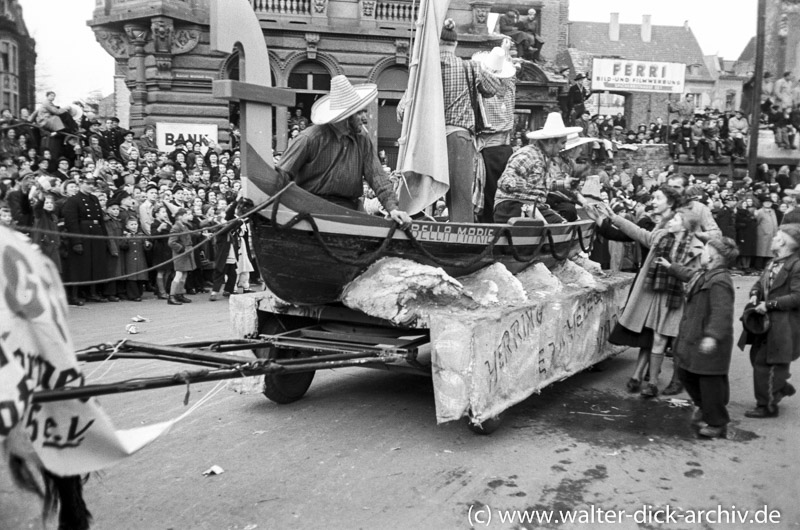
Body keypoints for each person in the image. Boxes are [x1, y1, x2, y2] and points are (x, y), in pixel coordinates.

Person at [593, 188, 703, 397]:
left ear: (684, 225)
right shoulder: (661, 237)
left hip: (676, 300)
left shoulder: (695, 248)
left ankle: (663, 380)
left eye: (675, 220)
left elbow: (695, 276)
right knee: (654, 338)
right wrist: (614, 217)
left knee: (665, 340)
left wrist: (674, 270)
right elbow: (638, 233)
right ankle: (650, 381)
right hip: (655, 295)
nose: (670, 222)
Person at [276, 75, 412, 226]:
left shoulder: (362, 140)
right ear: (345, 116)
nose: (365, 118)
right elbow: (281, 175)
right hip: (311, 212)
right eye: (360, 113)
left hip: (350, 209)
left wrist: (392, 208)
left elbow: (377, 176)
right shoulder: (309, 138)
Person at [656, 237, 738, 438]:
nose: (702, 253)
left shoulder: (720, 281)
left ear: (714, 257)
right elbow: (689, 274)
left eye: (705, 250)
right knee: (686, 375)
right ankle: (704, 407)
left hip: (709, 343)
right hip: (695, 340)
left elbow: (722, 313)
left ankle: (718, 423)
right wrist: (670, 266)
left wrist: (712, 337)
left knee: (710, 384)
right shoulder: (706, 275)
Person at [433, 19, 503, 223]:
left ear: (437, 42)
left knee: (423, 191)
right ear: (455, 44)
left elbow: (403, 110)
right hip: (458, 136)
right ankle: (460, 237)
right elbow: (492, 89)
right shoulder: (470, 67)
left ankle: (418, 229)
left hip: (429, 137)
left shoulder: (425, 68)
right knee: (460, 194)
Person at [738, 223, 800, 418]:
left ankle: (767, 405)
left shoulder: (796, 266)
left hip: (782, 323)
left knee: (768, 363)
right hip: (765, 322)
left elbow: (797, 296)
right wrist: (755, 294)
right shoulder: (774, 262)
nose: (773, 238)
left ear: (783, 242)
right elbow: (759, 283)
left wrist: (770, 304)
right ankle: (779, 388)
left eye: (776, 236)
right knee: (758, 357)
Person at [493, 112, 582, 223]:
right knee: (559, 225)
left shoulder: (543, 157)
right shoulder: (527, 155)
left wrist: (564, 184)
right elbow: (505, 182)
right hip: (512, 207)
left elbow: (542, 184)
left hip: (531, 206)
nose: (563, 147)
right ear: (551, 142)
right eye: (562, 143)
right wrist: (528, 187)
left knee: (564, 219)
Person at [474, 42, 517, 223]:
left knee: (487, 194)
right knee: (502, 194)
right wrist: (504, 52)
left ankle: (487, 228)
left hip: (487, 149)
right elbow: (510, 74)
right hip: (506, 149)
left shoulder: (482, 91)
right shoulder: (510, 88)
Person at [167, 208, 196, 305]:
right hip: (181, 254)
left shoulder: (184, 226)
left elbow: (190, 234)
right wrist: (182, 249)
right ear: (181, 217)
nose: (188, 217)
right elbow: (171, 242)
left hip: (186, 253)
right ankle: (171, 296)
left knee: (184, 275)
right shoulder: (176, 227)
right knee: (178, 275)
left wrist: (203, 234)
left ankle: (179, 294)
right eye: (186, 215)